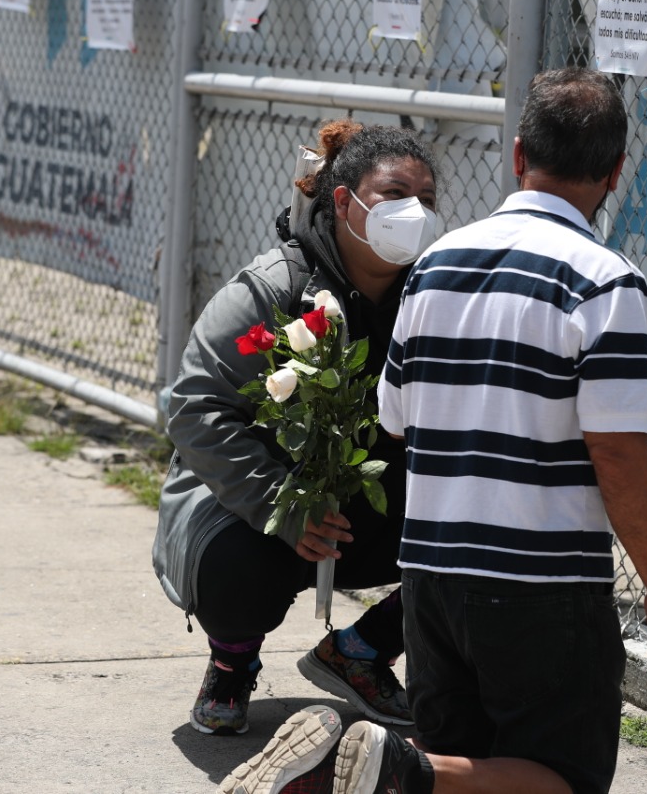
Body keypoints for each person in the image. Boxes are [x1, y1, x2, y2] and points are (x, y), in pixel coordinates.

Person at [373, 67, 647, 794]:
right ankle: (397, 769)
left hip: (430, 574)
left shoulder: (433, 266)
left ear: (518, 155)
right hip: (539, 583)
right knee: (563, 777)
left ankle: (409, 768)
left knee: (474, 770)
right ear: (615, 172)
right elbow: (616, 451)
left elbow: (395, 418)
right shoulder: (606, 283)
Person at [152, 120, 441, 737]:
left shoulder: (435, 296)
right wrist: (279, 507)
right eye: (395, 195)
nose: (414, 213)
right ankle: (231, 663)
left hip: (367, 495)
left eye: (427, 199)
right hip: (257, 508)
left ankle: (361, 651)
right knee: (234, 566)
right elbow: (194, 408)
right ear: (344, 201)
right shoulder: (274, 287)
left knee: (473, 527)